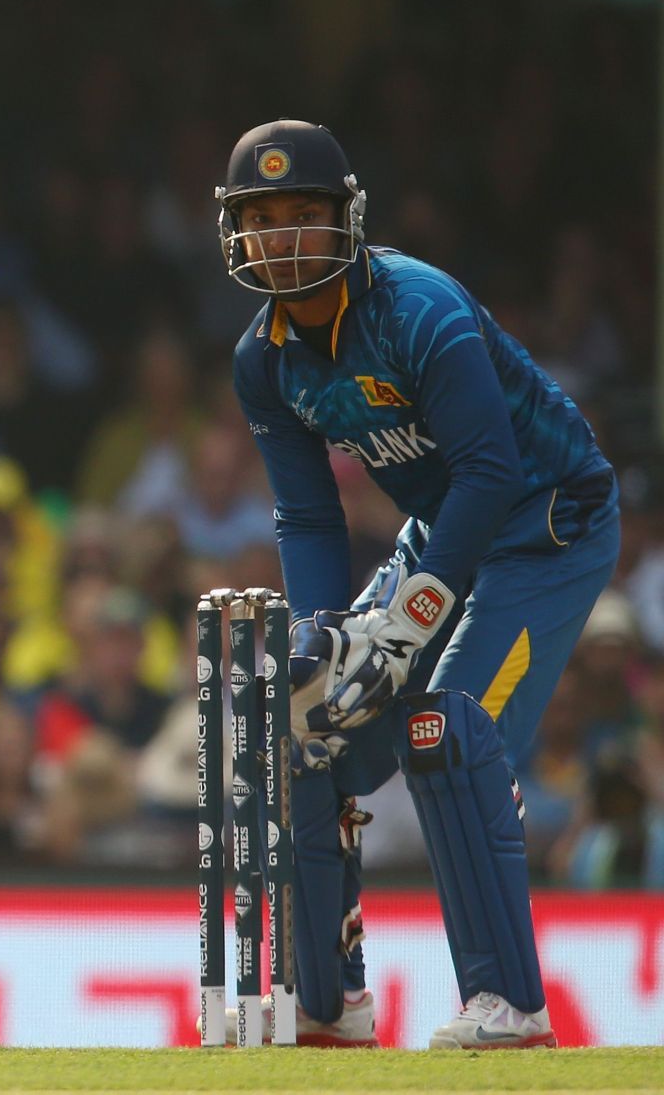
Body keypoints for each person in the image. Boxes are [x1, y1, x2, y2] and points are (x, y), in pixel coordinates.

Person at [222, 120, 618, 1049]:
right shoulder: (262, 359)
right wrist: (326, 633)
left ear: (347, 218)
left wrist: (412, 615)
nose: (283, 239)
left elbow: (490, 471)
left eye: (305, 215)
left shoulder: (419, 310)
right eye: (262, 219)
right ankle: (330, 1002)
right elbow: (310, 517)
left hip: (548, 521)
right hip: (447, 526)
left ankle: (509, 1006)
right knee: (307, 719)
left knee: (446, 730)